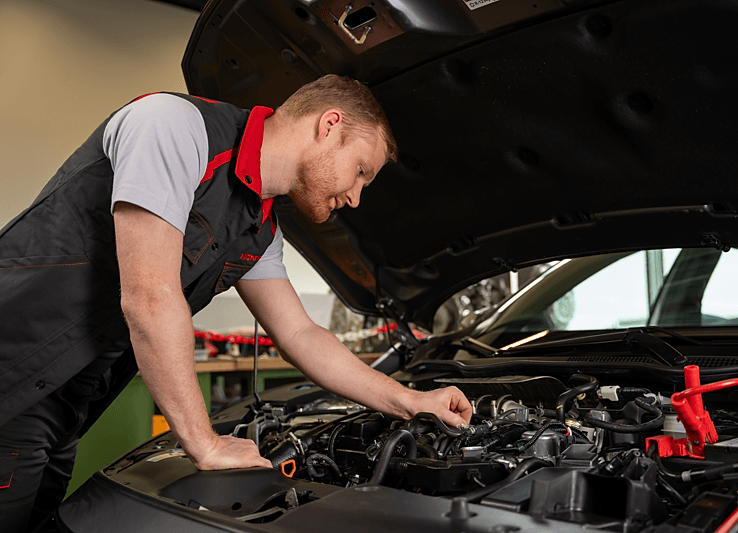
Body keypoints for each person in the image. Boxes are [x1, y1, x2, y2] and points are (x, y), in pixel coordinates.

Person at [0, 74, 472, 532]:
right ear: (329, 126)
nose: (354, 197)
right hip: (13, 375)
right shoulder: (173, 126)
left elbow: (300, 335)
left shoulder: (259, 228)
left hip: (64, 409)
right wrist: (204, 445)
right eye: (361, 172)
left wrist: (411, 401)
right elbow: (149, 296)